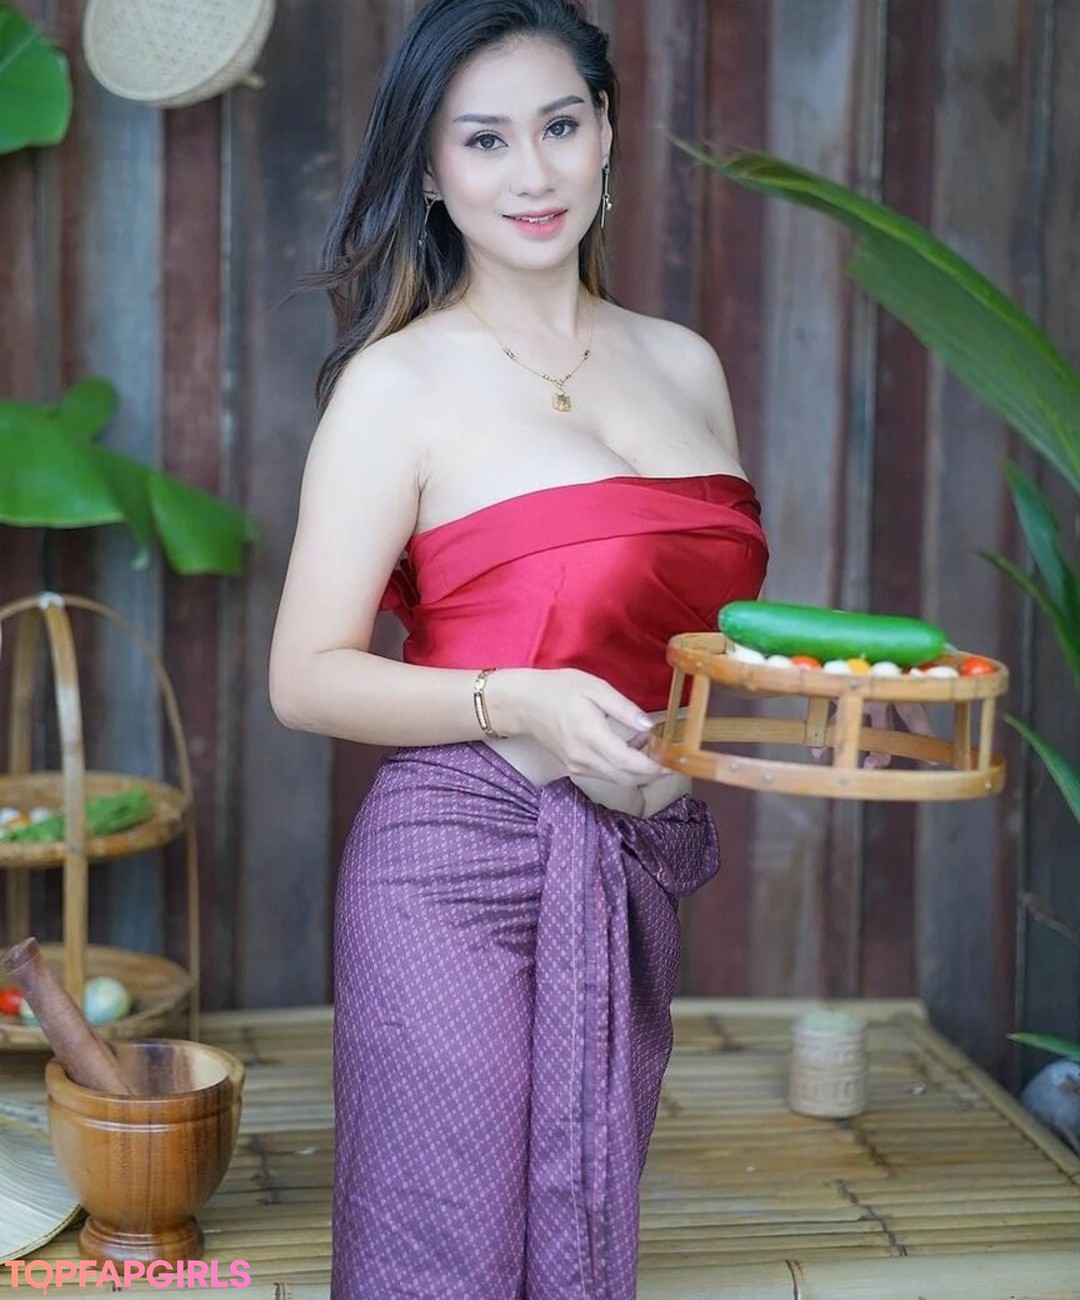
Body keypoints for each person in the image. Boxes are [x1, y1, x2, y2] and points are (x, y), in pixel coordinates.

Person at [269, 1, 768, 1295]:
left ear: (606, 132)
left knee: (575, 1242)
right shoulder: (398, 385)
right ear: (432, 171)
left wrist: (832, 710)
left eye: (558, 126)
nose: (532, 173)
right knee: (445, 1258)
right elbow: (305, 677)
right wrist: (524, 701)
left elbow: (703, 649)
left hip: (630, 867)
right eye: (484, 140)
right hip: (455, 868)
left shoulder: (686, 365)